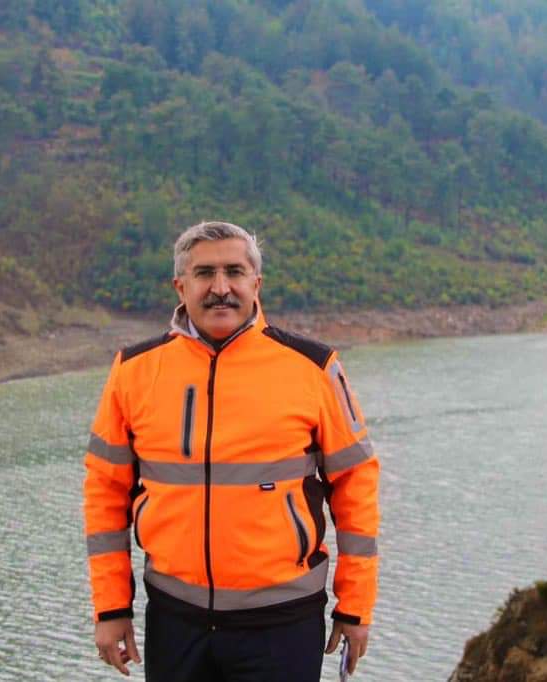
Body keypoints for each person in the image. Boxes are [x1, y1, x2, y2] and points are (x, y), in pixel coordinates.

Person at [83, 221, 379, 681]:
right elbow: (105, 493)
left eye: (234, 272)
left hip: (282, 622)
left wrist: (355, 604)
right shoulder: (133, 371)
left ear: (256, 283)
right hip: (175, 621)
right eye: (204, 273)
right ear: (180, 286)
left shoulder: (314, 368)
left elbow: (357, 486)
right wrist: (111, 607)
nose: (220, 288)